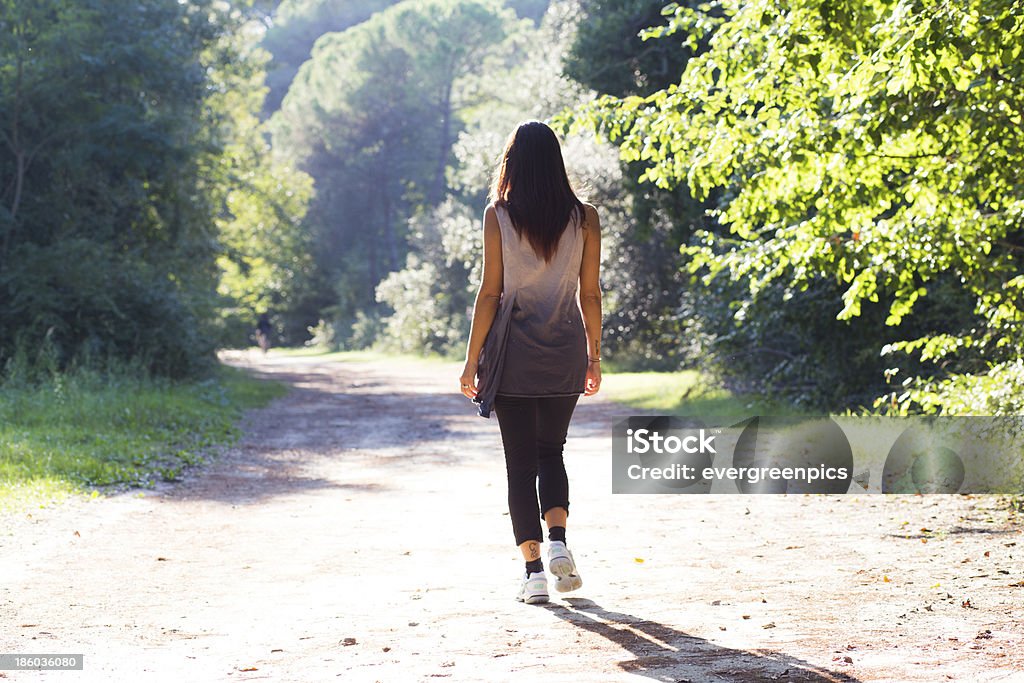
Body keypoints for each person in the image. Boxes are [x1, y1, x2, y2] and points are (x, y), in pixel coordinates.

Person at [459, 120, 602, 605]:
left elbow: (490, 292)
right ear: (556, 162)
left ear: (513, 162)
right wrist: (595, 355)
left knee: (519, 466)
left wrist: (470, 361)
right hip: (565, 351)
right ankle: (559, 541)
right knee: (552, 452)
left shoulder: (497, 215)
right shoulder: (585, 218)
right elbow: (590, 293)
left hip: (513, 356)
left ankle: (534, 573)